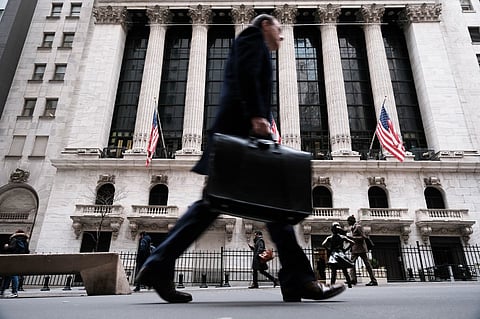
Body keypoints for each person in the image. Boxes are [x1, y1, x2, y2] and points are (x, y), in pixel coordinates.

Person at [136, 14, 346, 303]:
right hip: (242, 139)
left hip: (238, 139)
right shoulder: (251, 39)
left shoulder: (255, 43)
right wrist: (258, 117)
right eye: (279, 29)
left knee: (235, 207)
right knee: (270, 207)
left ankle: (158, 263)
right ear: (265, 25)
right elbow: (246, 77)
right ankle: (299, 279)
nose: (282, 36)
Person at [346, 215, 378, 286]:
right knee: (351, 264)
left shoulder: (358, 226)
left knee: (367, 265)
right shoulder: (353, 227)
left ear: (351, 221)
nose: (347, 223)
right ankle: (353, 280)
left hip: (361, 249)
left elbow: (363, 237)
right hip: (355, 249)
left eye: (348, 222)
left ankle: (373, 280)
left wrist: (352, 237)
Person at [322, 222, 354, 288]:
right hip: (341, 254)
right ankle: (349, 284)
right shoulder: (342, 237)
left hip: (333, 254)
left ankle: (332, 285)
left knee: (334, 272)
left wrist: (329, 250)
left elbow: (323, 244)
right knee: (344, 270)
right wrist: (345, 249)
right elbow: (352, 242)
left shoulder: (330, 237)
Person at [0, 229, 30, 298]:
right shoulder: (25, 241)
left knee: (13, 275)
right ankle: (2, 291)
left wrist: (7, 246)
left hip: (13, 259)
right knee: (8, 274)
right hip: (20, 259)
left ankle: (14, 291)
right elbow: (27, 251)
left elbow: (12, 248)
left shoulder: (15, 239)